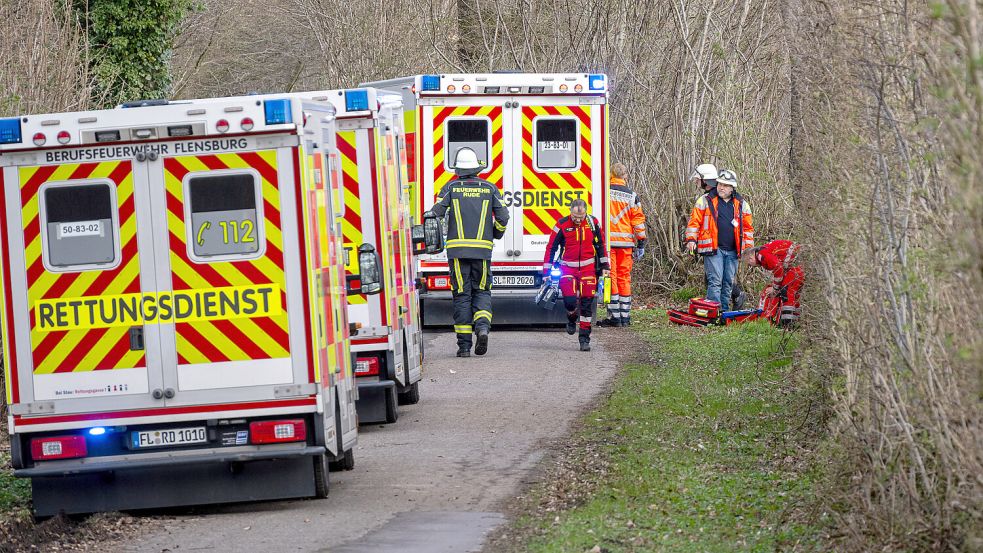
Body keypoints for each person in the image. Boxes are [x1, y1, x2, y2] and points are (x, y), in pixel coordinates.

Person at [427, 147, 509, 357]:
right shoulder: (490, 188)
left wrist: (433, 238)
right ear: (476, 168)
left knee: (462, 295)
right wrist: (496, 234)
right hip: (482, 252)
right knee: (481, 291)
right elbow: (503, 217)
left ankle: (464, 347)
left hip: (457, 252)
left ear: (458, 169)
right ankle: (482, 328)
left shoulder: (450, 187)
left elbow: (433, 214)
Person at [543, 199, 610, 351]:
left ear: (586, 213)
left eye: (581, 217)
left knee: (587, 305)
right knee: (570, 301)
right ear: (570, 212)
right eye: (575, 217)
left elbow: (600, 245)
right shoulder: (561, 224)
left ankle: (584, 339)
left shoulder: (593, 223)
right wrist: (546, 272)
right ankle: (571, 316)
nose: (578, 220)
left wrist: (605, 266)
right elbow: (551, 248)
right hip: (567, 269)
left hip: (588, 269)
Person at [684, 169, 754, 311]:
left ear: (732, 188)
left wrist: (748, 250)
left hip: (733, 250)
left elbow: (748, 229)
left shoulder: (741, 204)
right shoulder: (705, 200)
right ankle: (713, 313)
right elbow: (694, 222)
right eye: (720, 184)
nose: (722, 187)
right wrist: (691, 239)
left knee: (728, 282)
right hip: (713, 248)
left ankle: (723, 312)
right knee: (715, 281)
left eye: (726, 185)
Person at [598, 162, 646, 327]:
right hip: (626, 244)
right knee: (625, 278)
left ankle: (614, 317)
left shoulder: (604, 193)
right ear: (625, 176)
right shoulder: (632, 196)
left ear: (611, 174)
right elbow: (638, 221)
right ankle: (625, 317)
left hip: (609, 244)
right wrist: (641, 242)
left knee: (611, 277)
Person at [745, 240, 803, 326]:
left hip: (795, 266)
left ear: (751, 257)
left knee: (787, 293)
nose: (751, 265)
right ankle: (794, 322)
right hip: (797, 264)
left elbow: (778, 267)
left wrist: (775, 288)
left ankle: (788, 325)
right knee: (793, 295)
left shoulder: (762, 254)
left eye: (749, 262)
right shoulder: (765, 250)